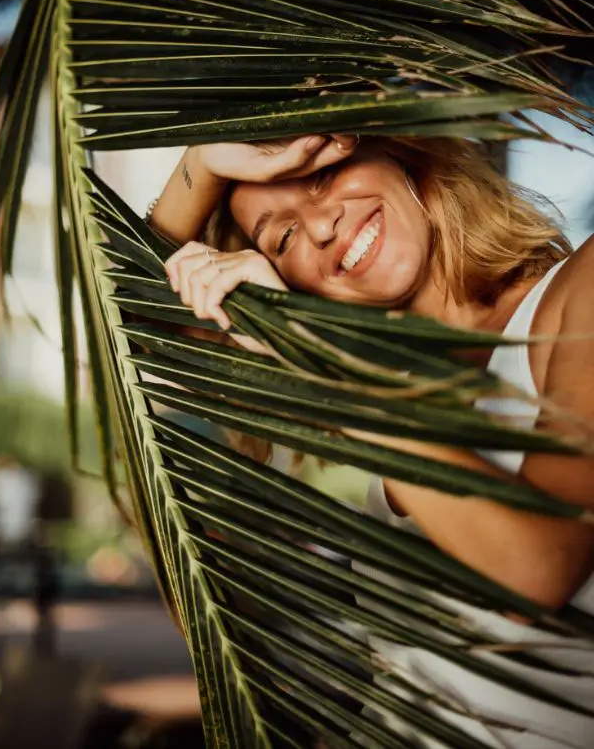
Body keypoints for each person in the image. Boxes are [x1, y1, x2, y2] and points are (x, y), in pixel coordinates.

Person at [149, 134, 594, 748]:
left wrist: (329, 367)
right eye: (283, 238)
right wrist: (200, 161)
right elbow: (134, 335)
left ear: (399, 152)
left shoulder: (581, 287)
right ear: (292, 287)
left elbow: (537, 570)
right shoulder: (390, 389)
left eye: (322, 176)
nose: (322, 225)